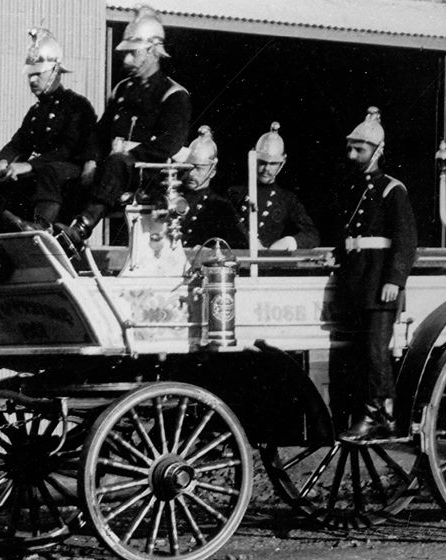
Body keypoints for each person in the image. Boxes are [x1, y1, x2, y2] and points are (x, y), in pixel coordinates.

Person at [334, 108, 418, 441]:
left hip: (379, 282)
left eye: (360, 149)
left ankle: (381, 414)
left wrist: (394, 281)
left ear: (377, 152)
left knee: (374, 350)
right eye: (351, 148)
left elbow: (406, 239)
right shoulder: (353, 187)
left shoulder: (391, 189)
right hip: (357, 281)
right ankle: (365, 411)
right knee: (358, 352)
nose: (353, 155)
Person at [73, 7, 193, 231]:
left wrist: (128, 156)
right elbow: (101, 133)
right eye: (126, 53)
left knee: (117, 163)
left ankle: (83, 227)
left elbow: (169, 143)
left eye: (134, 53)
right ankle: (52, 229)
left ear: (152, 52)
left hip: (148, 172)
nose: (127, 60)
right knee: (69, 170)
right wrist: (90, 159)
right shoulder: (122, 90)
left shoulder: (173, 94)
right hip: (116, 170)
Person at [0, 28, 98, 230]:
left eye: (38, 74)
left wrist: (30, 165)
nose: (32, 81)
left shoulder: (76, 105)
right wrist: (2, 161)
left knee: (48, 172)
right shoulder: (35, 111)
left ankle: (41, 227)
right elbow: (18, 143)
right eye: (30, 75)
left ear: (55, 71)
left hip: (67, 174)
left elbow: (67, 150)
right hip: (44, 171)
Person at [240, 122, 321, 251]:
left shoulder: (287, 199)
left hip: (268, 264)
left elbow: (312, 235)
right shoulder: (234, 194)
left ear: (282, 163)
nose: (266, 169)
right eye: (262, 162)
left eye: (273, 164)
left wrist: (290, 241)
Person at [173, 126, 245, 249]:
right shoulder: (172, 197)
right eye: (189, 167)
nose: (191, 173)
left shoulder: (221, 206)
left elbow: (237, 246)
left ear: (212, 172)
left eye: (199, 168)